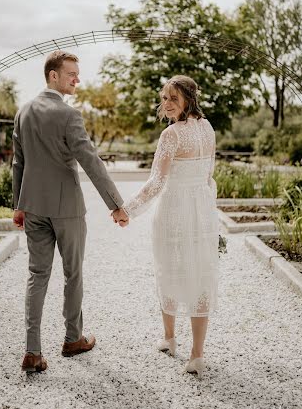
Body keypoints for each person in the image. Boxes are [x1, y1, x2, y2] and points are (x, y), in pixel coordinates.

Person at [13, 51, 129, 373]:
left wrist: (18, 205)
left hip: (33, 207)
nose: (77, 79)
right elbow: (91, 160)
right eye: (71, 75)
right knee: (72, 273)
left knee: (37, 275)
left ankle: (32, 352)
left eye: (77, 74)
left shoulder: (22, 113)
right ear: (53, 76)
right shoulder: (68, 115)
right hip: (67, 209)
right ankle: (72, 339)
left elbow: (18, 163)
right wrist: (116, 205)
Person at [120, 75, 219, 379]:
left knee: (171, 269)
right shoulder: (208, 128)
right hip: (202, 211)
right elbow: (209, 175)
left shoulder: (171, 135)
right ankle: (189, 349)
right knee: (197, 273)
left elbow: (157, 182)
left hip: (175, 210)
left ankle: (175, 341)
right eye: (164, 98)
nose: (166, 104)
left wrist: (128, 209)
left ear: (189, 99)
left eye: (173, 98)